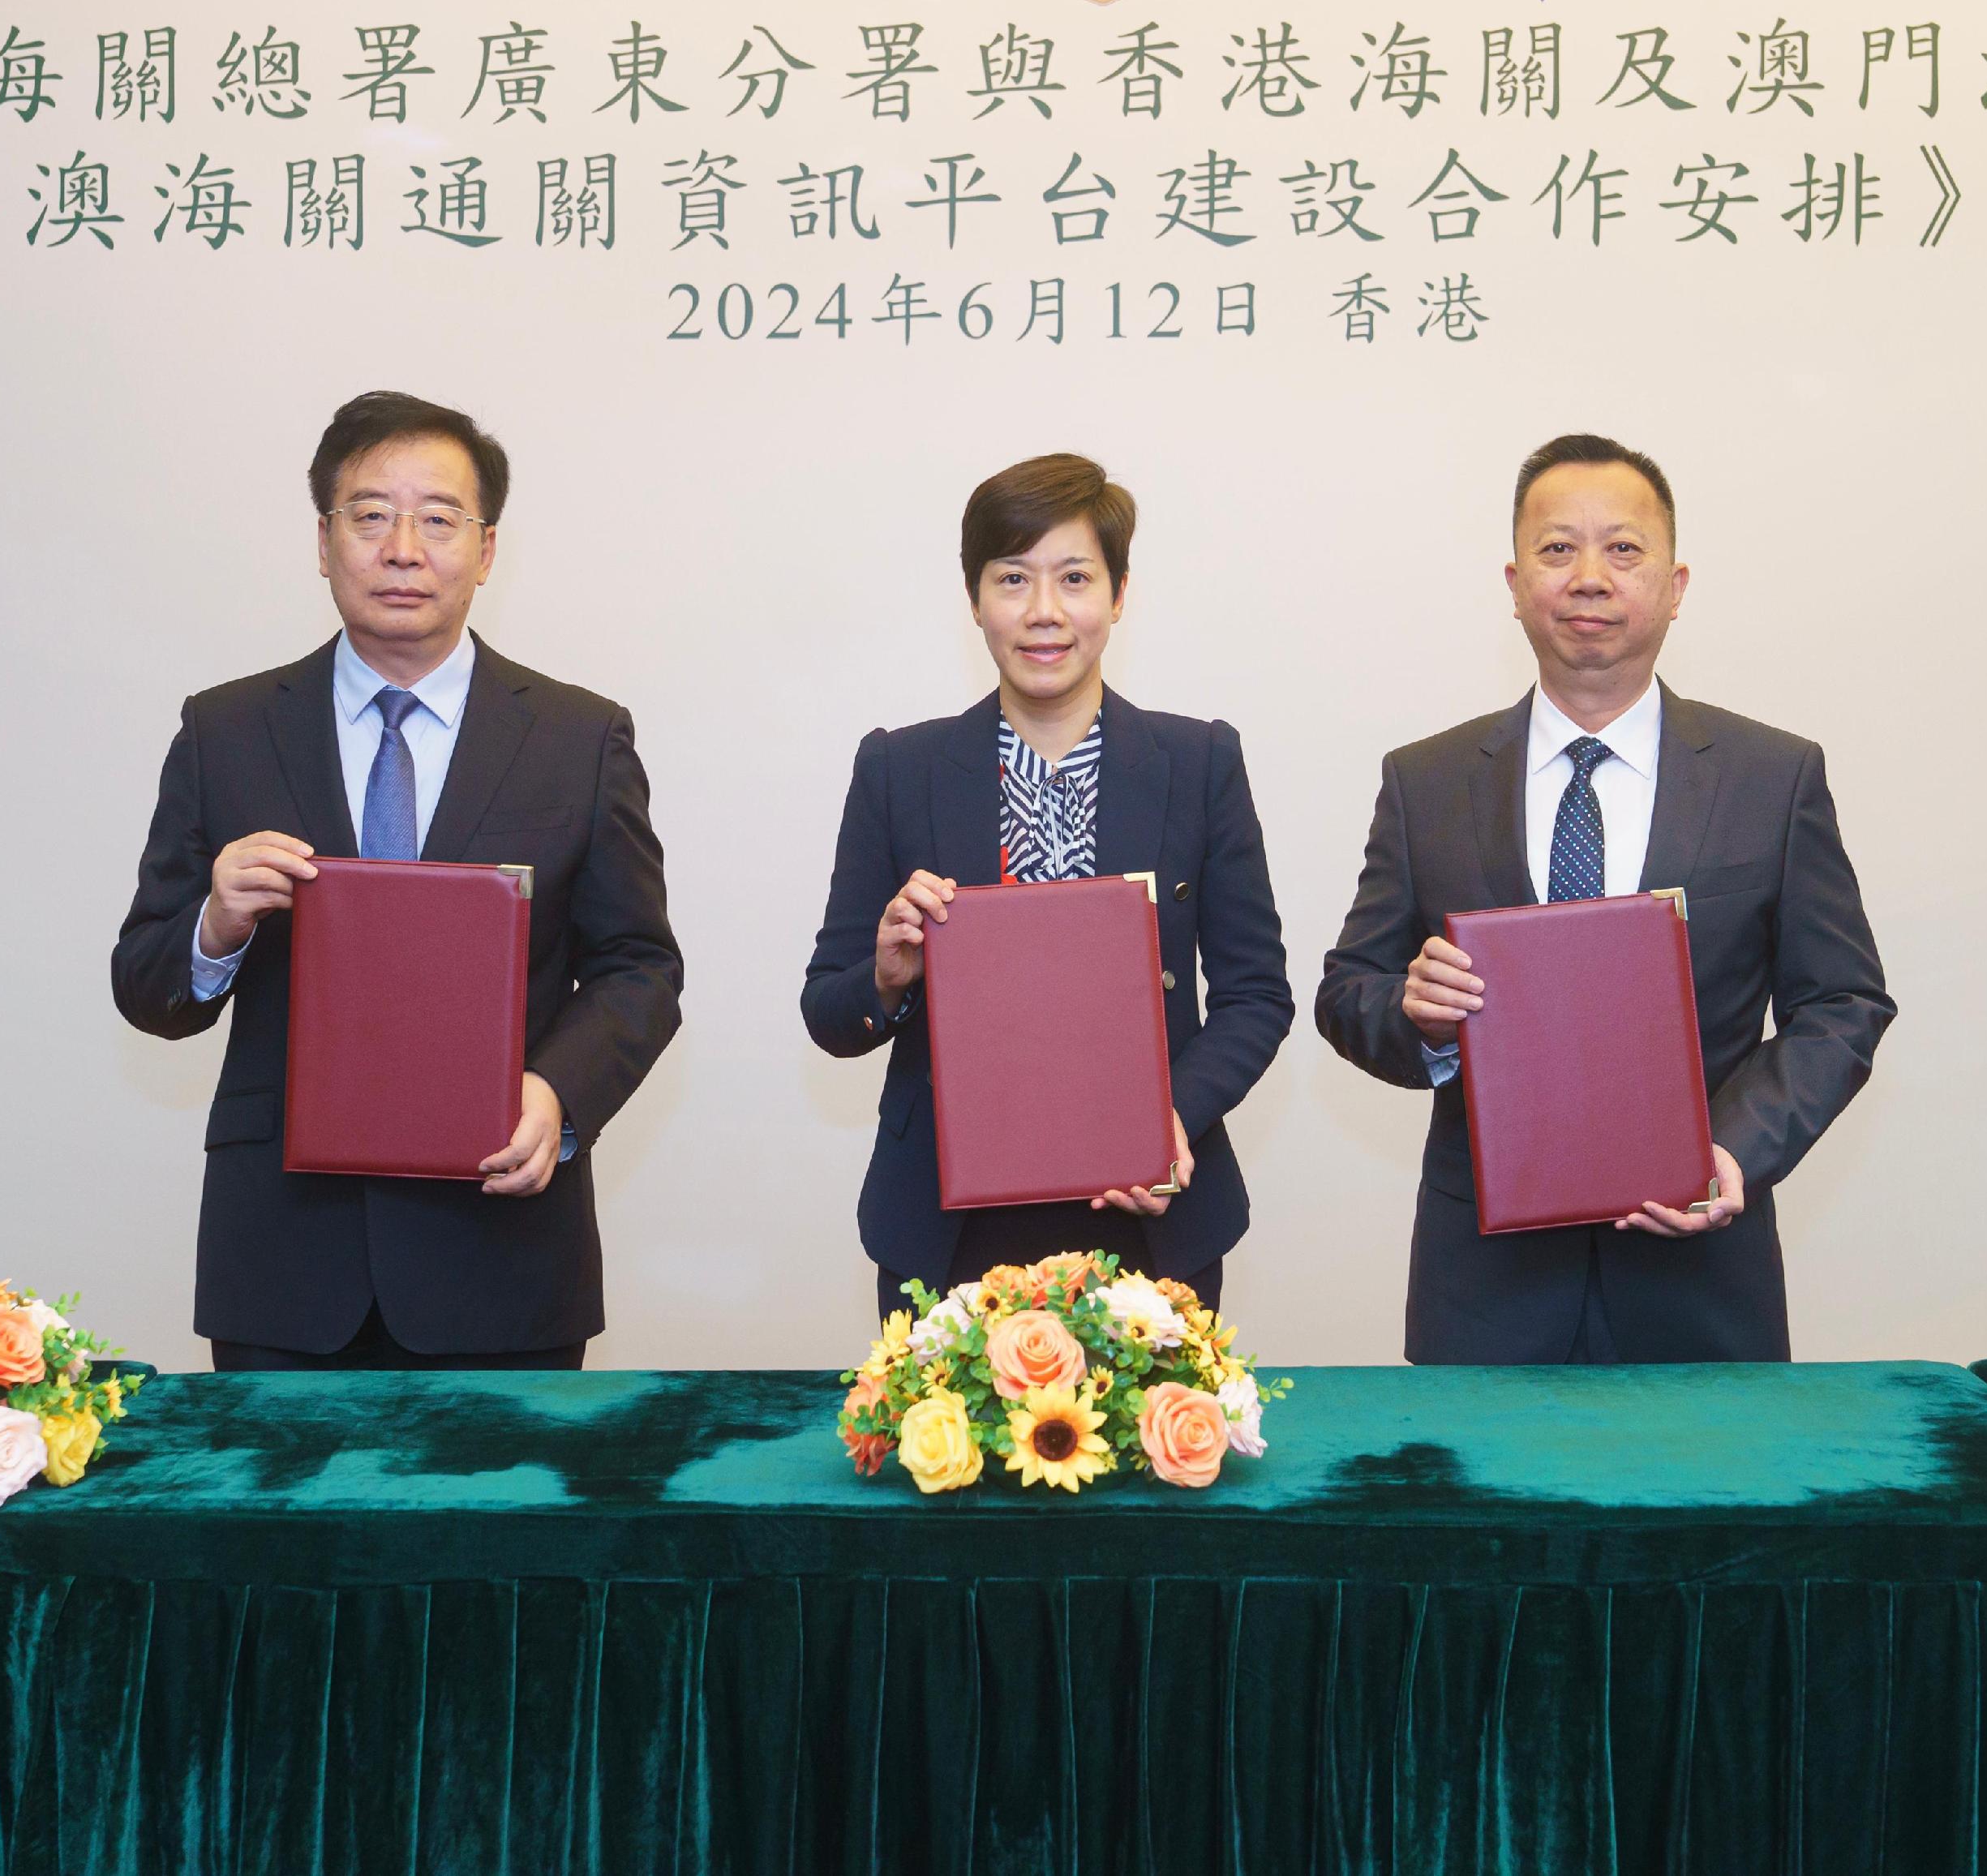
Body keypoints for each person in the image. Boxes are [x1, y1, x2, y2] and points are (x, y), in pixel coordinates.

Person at [112, 391, 683, 1369]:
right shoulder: (227, 731)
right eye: (370, 515)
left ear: (487, 549)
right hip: (284, 1262)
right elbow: (146, 987)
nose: (402, 547)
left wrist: (555, 1095)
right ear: (324, 541)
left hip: (499, 1255)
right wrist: (216, 923)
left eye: (437, 519)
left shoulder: (579, 738)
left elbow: (638, 969)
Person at [1316, 435, 1892, 1363]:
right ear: (1513, 584)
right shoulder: (1426, 780)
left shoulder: (1771, 777)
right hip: (1486, 1288)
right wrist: (1415, 1016)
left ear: (1676, 584)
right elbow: (1350, 992)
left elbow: (1842, 1004)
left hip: (1701, 1280)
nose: (1589, 577)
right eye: (1557, 549)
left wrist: (1734, 1150)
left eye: (1623, 549)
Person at [803, 454, 1293, 1320]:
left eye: (1074, 578)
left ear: (1118, 592)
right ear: (974, 598)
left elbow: (1256, 995)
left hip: (1150, 1218)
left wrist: (1167, 1118)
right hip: (948, 1227)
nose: (1043, 612)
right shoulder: (899, 769)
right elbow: (828, 1012)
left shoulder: (1198, 762)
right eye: (1012, 578)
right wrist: (886, 974)